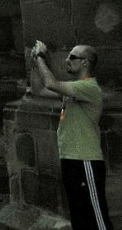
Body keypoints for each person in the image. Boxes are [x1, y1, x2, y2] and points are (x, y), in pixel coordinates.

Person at [31, 40, 114, 230]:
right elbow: (38, 89)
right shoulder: (73, 90)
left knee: (98, 219)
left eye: (72, 57)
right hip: (71, 160)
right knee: (79, 218)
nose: (67, 60)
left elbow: (50, 83)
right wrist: (35, 62)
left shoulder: (89, 87)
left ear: (85, 62)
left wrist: (41, 57)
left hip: (86, 161)